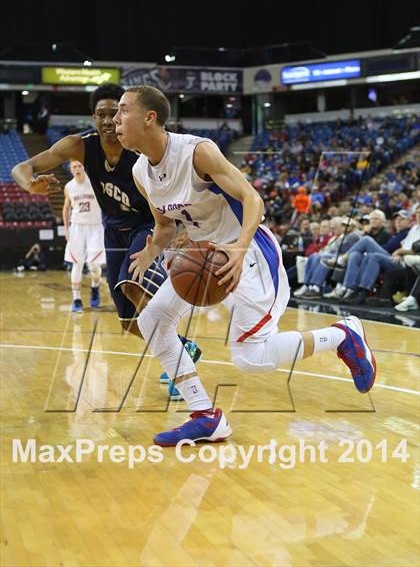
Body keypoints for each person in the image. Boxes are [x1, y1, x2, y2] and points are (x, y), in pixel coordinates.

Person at [113, 85, 376, 446]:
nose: (115, 119)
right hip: (205, 256)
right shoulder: (142, 172)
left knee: (252, 357)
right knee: (152, 321)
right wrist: (149, 252)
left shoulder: (197, 152)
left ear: (149, 117)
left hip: (248, 252)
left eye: (123, 110)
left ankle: (343, 335)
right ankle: (206, 415)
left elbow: (253, 198)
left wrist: (238, 248)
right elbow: (165, 226)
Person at [11, 84, 201, 390]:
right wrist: (30, 183)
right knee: (128, 322)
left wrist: (181, 228)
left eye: (116, 113)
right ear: (93, 117)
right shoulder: (81, 145)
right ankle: (182, 346)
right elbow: (23, 167)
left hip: (146, 226)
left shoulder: (138, 152)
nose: (109, 120)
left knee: (132, 283)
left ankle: (180, 366)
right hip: (112, 230)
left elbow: (172, 192)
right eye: (101, 114)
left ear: (127, 116)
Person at [62, 160, 104, 312]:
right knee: (77, 264)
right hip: (77, 227)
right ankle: (76, 300)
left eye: (80, 166)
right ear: (71, 170)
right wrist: (66, 229)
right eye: (74, 166)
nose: (77, 168)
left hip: (95, 226)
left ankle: (95, 287)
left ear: (84, 167)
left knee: (94, 265)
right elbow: (66, 208)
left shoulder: (94, 182)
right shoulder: (69, 187)